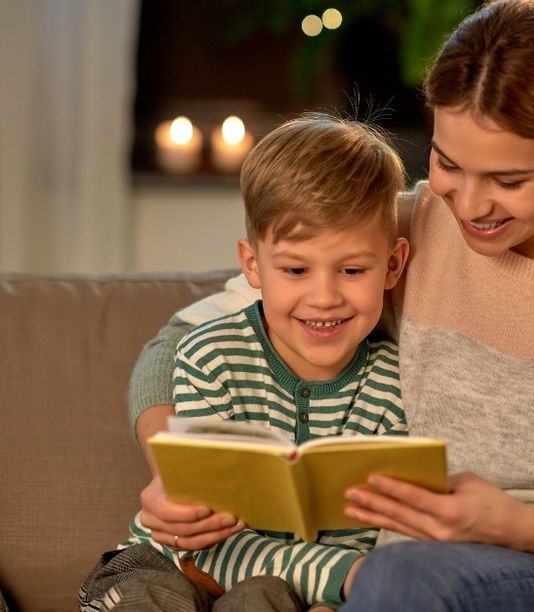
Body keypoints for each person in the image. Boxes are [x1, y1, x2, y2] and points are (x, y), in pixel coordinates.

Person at [127, 0, 534, 610]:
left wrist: (512, 525)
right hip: (405, 576)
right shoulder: (406, 232)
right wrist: (176, 473)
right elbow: (185, 337)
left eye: (508, 181)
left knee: (406, 579)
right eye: (448, 163)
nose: (470, 205)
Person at [81, 112, 411, 611]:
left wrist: (340, 589)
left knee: (266, 599)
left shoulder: (396, 386)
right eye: (296, 269)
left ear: (392, 265)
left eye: (351, 269)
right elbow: (206, 540)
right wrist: (344, 576)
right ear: (253, 265)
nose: (324, 297)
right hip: (168, 562)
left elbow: (366, 545)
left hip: (284, 589)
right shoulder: (209, 357)